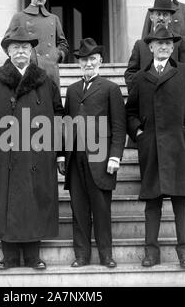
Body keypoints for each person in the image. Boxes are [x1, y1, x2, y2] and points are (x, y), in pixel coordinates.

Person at [0, 26, 64, 270]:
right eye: (16, 48)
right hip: (5, 155)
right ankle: (9, 257)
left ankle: (34, 256)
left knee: (35, 201)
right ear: (8, 51)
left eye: (25, 47)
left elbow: (58, 114)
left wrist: (57, 149)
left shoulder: (45, 82)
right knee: (6, 202)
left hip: (38, 153)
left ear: (31, 51)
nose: (21, 52)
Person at [125, 25, 185, 268]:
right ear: (150, 47)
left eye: (168, 44)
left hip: (179, 147)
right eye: (158, 43)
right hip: (151, 147)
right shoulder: (141, 78)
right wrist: (139, 133)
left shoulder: (184, 72)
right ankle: (151, 252)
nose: (163, 47)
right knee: (152, 203)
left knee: (182, 202)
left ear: (173, 47)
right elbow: (129, 111)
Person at [57, 38, 126, 268]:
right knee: (79, 209)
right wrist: (60, 154)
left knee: (101, 209)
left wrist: (115, 155)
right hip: (76, 158)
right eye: (84, 60)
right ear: (79, 63)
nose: (88, 63)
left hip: (101, 158)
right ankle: (82, 255)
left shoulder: (110, 88)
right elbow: (66, 124)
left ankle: (106, 255)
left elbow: (118, 126)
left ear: (100, 61)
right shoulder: (73, 90)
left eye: (92, 59)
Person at [125, 0, 185, 93]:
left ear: (170, 18)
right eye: (158, 14)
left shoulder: (181, 42)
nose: (161, 18)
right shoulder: (140, 45)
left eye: (165, 15)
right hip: (148, 101)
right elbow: (130, 73)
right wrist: (139, 93)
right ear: (151, 17)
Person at [4, 0, 69, 87]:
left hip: (50, 70)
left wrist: (57, 55)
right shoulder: (19, 17)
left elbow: (63, 43)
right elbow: (6, 41)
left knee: (51, 101)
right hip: (28, 69)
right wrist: (20, 57)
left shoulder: (53, 18)